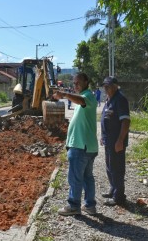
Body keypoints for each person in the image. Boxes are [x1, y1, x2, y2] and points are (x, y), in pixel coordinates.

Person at [53, 73, 99, 216]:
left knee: (75, 177)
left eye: (78, 82)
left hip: (81, 146)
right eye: (74, 83)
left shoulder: (88, 97)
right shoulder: (83, 98)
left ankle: (74, 205)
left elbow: (80, 100)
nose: (75, 85)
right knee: (87, 177)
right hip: (86, 146)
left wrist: (64, 94)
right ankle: (90, 206)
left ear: (86, 81)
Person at [100, 77, 130, 206]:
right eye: (105, 86)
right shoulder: (108, 100)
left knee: (117, 168)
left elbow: (126, 121)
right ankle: (113, 189)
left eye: (109, 86)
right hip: (108, 140)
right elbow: (105, 119)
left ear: (116, 86)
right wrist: (102, 135)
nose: (106, 88)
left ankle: (119, 197)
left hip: (116, 141)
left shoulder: (120, 99)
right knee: (109, 166)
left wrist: (120, 140)